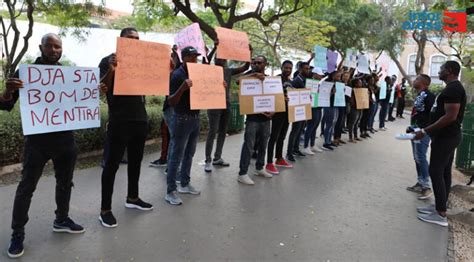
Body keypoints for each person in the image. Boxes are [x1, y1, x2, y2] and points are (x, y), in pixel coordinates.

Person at [1, 33, 85, 259]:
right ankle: (17, 233)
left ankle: (62, 219)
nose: (54, 50)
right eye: (49, 46)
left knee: (65, 183)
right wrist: (8, 91)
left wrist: (94, 91)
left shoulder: (68, 74)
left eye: (58, 46)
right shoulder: (26, 73)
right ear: (41, 47)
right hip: (37, 142)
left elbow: (78, 101)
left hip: (66, 141)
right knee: (26, 187)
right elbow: (5, 106)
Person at [99, 28, 153, 228]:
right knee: (111, 166)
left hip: (140, 120)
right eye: (130, 38)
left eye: (137, 38)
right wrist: (111, 70)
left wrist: (168, 69)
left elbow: (156, 83)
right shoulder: (108, 60)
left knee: (136, 162)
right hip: (119, 121)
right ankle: (105, 210)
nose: (134, 41)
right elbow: (101, 88)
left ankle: (133, 197)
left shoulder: (143, 63)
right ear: (120, 40)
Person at [414, 61, 466, 227]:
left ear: (449, 71)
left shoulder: (454, 89)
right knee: (443, 172)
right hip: (445, 137)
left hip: (446, 137)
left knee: (435, 171)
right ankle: (439, 206)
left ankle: (441, 214)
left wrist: (426, 130)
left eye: (441, 68)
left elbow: (450, 116)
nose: (439, 71)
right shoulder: (450, 87)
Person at [165, 46, 210, 205]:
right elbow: (170, 101)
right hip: (181, 119)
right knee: (176, 156)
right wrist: (182, 88)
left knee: (189, 154)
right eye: (191, 57)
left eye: (196, 57)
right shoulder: (177, 75)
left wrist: (219, 85)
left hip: (195, 118)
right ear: (183, 58)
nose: (194, 60)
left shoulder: (198, 73)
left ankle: (184, 183)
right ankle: (170, 191)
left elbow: (207, 89)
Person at [204, 43, 250, 173]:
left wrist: (248, 53)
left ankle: (217, 158)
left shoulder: (228, 71)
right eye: (219, 57)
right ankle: (207, 160)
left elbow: (245, 67)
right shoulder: (208, 70)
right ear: (215, 59)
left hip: (226, 104)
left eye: (224, 58)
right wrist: (214, 48)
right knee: (212, 131)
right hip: (213, 104)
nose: (222, 59)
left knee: (223, 131)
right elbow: (205, 62)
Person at [238, 55, 274, 185]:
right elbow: (238, 81)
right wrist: (253, 76)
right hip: (252, 119)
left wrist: (273, 111)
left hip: (266, 119)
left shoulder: (269, 79)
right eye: (254, 62)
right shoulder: (249, 75)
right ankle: (242, 173)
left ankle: (259, 168)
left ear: (266, 64)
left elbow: (275, 97)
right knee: (249, 145)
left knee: (263, 144)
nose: (256, 65)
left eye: (259, 63)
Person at [406, 74, 435, 200]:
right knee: (417, 157)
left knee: (421, 157)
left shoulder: (429, 96)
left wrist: (423, 130)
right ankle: (420, 182)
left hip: (423, 131)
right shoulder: (420, 94)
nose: (414, 80)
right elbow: (418, 113)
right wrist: (412, 127)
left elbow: (432, 115)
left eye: (417, 79)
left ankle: (426, 187)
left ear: (423, 82)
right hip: (415, 129)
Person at [266, 60, 294, 175]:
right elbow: (271, 94)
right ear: (281, 67)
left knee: (282, 136)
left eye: (290, 68)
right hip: (278, 112)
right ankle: (268, 163)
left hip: (287, 112)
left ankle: (279, 158)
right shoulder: (276, 80)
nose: (288, 70)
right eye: (286, 68)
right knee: (274, 137)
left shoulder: (290, 82)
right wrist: (282, 98)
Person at [286, 62, 311, 160]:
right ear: (300, 69)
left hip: (304, 109)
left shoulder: (305, 80)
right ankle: (289, 152)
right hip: (297, 110)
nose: (307, 70)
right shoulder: (296, 81)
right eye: (305, 69)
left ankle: (296, 149)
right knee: (294, 131)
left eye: (308, 69)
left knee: (300, 130)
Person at [302, 67, 325, 155]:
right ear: (314, 74)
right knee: (310, 126)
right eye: (319, 75)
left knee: (315, 126)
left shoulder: (319, 84)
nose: (320, 77)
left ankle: (312, 145)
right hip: (312, 107)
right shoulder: (309, 83)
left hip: (319, 106)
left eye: (321, 75)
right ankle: (306, 146)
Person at [347, 78, 363, 143]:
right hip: (354, 108)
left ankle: (356, 136)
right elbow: (350, 99)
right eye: (359, 83)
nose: (361, 84)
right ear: (355, 84)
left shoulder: (361, 90)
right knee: (352, 123)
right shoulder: (352, 90)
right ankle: (351, 137)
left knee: (357, 122)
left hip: (360, 107)